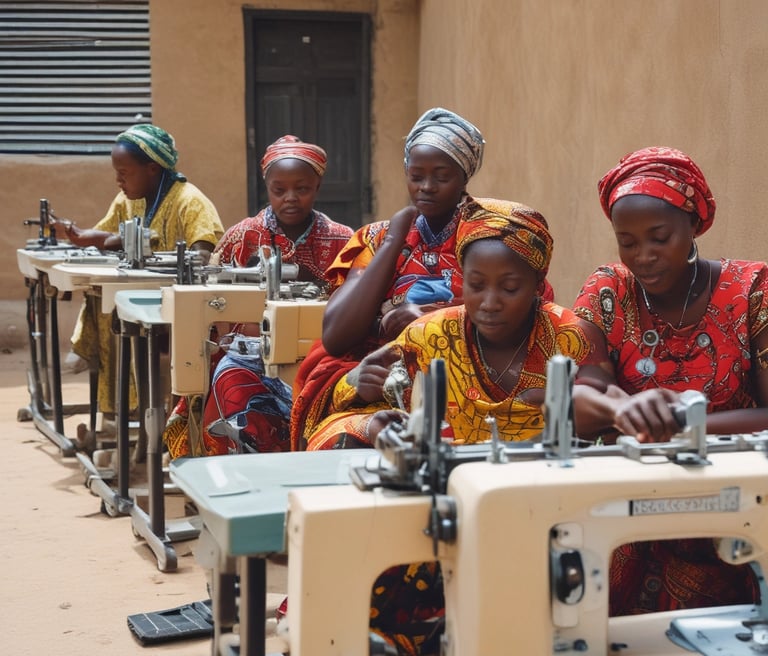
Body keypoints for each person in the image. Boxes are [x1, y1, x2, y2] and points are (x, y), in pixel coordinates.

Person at [324, 197, 611, 655]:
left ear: (539, 283)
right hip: (446, 507)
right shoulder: (432, 334)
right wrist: (360, 390)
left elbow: (601, 400)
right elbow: (349, 399)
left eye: (510, 288)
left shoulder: (569, 336)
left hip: (542, 511)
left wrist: (575, 400)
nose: (489, 303)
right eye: (475, 285)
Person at [572, 146, 768, 615]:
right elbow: (580, 400)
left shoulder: (752, 292)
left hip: (734, 521)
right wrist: (620, 408)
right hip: (628, 520)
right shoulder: (608, 292)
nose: (644, 256)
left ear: (695, 225)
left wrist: (684, 421)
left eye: (659, 237)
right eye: (628, 241)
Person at [290, 107, 491, 451]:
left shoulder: (486, 236)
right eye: (416, 176)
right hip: (378, 389)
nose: (426, 187)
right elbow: (336, 336)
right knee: (341, 443)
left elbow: (518, 311)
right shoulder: (379, 238)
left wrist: (429, 321)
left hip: (468, 388)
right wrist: (394, 241)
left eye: (441, 176)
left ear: (464, 176)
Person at [163, 135, 353, 458]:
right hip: (248, 358)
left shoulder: (342, 240)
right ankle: (230, 480)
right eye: (279, 190)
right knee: (229, 385)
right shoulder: (242, 236)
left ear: (317, 187)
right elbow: (210, 305)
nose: (290, 198)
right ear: (267, 188)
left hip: (320, 357)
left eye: (302, 189)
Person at [54, 123, 223, 420]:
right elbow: (105, 235)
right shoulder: (128, 200)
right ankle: (119, 412)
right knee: (101, 300)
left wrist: (157, 255)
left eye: (124, 173)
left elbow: (202, 254)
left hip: (177, 305)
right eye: (116, 172)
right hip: (140, 297)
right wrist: (76, 234)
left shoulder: (190, 200)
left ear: (152, 168)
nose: (118, 180)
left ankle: (145, 420)